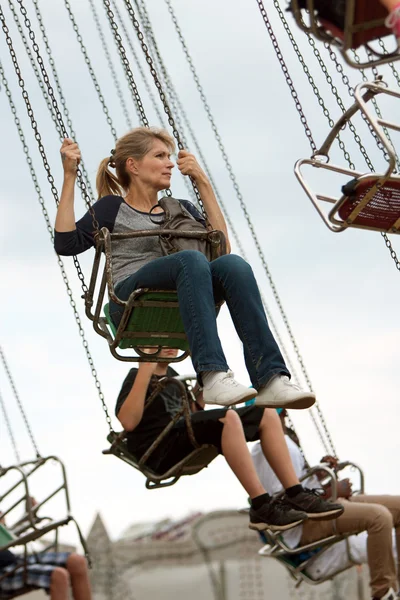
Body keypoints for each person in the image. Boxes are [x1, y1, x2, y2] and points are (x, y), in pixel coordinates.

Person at [54, 126, 316, 410]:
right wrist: (69, 176)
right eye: (160, 155)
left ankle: (271, 378)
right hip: (132, 298)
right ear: (134, 165)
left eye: (169, 156)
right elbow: (66, 243)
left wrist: (202, 181)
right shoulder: (112, 208)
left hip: (181, 289)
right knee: (190, 260)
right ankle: (212, 374)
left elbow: (219, 249)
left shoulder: (180, 208)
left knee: (234, 265)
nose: (170, 163)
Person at [115, 348, 344, 532]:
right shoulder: (136, 377)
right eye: (161, 343)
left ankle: (296, 493)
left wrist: (201, 386)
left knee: (264, 413)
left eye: (173, 342)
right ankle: (260, 504)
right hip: (159, 450)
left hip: (182, 436)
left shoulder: (174, 378)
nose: (170, 348)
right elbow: (128, 421)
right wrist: (144, 369)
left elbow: (194, 417)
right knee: (229, 417)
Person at [251, 409, 400, 600]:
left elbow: (293, 485)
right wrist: (331, 491)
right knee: (379, 518)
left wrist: (318, 476)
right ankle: (383, 592)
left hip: (319, 507)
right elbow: (287, 502)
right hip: (303, 525)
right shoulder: (277, 445)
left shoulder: (274, 444)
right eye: (281, 413)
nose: (286, 415)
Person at [0, 510, 92, 600]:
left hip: (15, 560)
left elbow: (10, 535)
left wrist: (28, 515)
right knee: (58, 576)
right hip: (3, 572)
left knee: (76, 561)